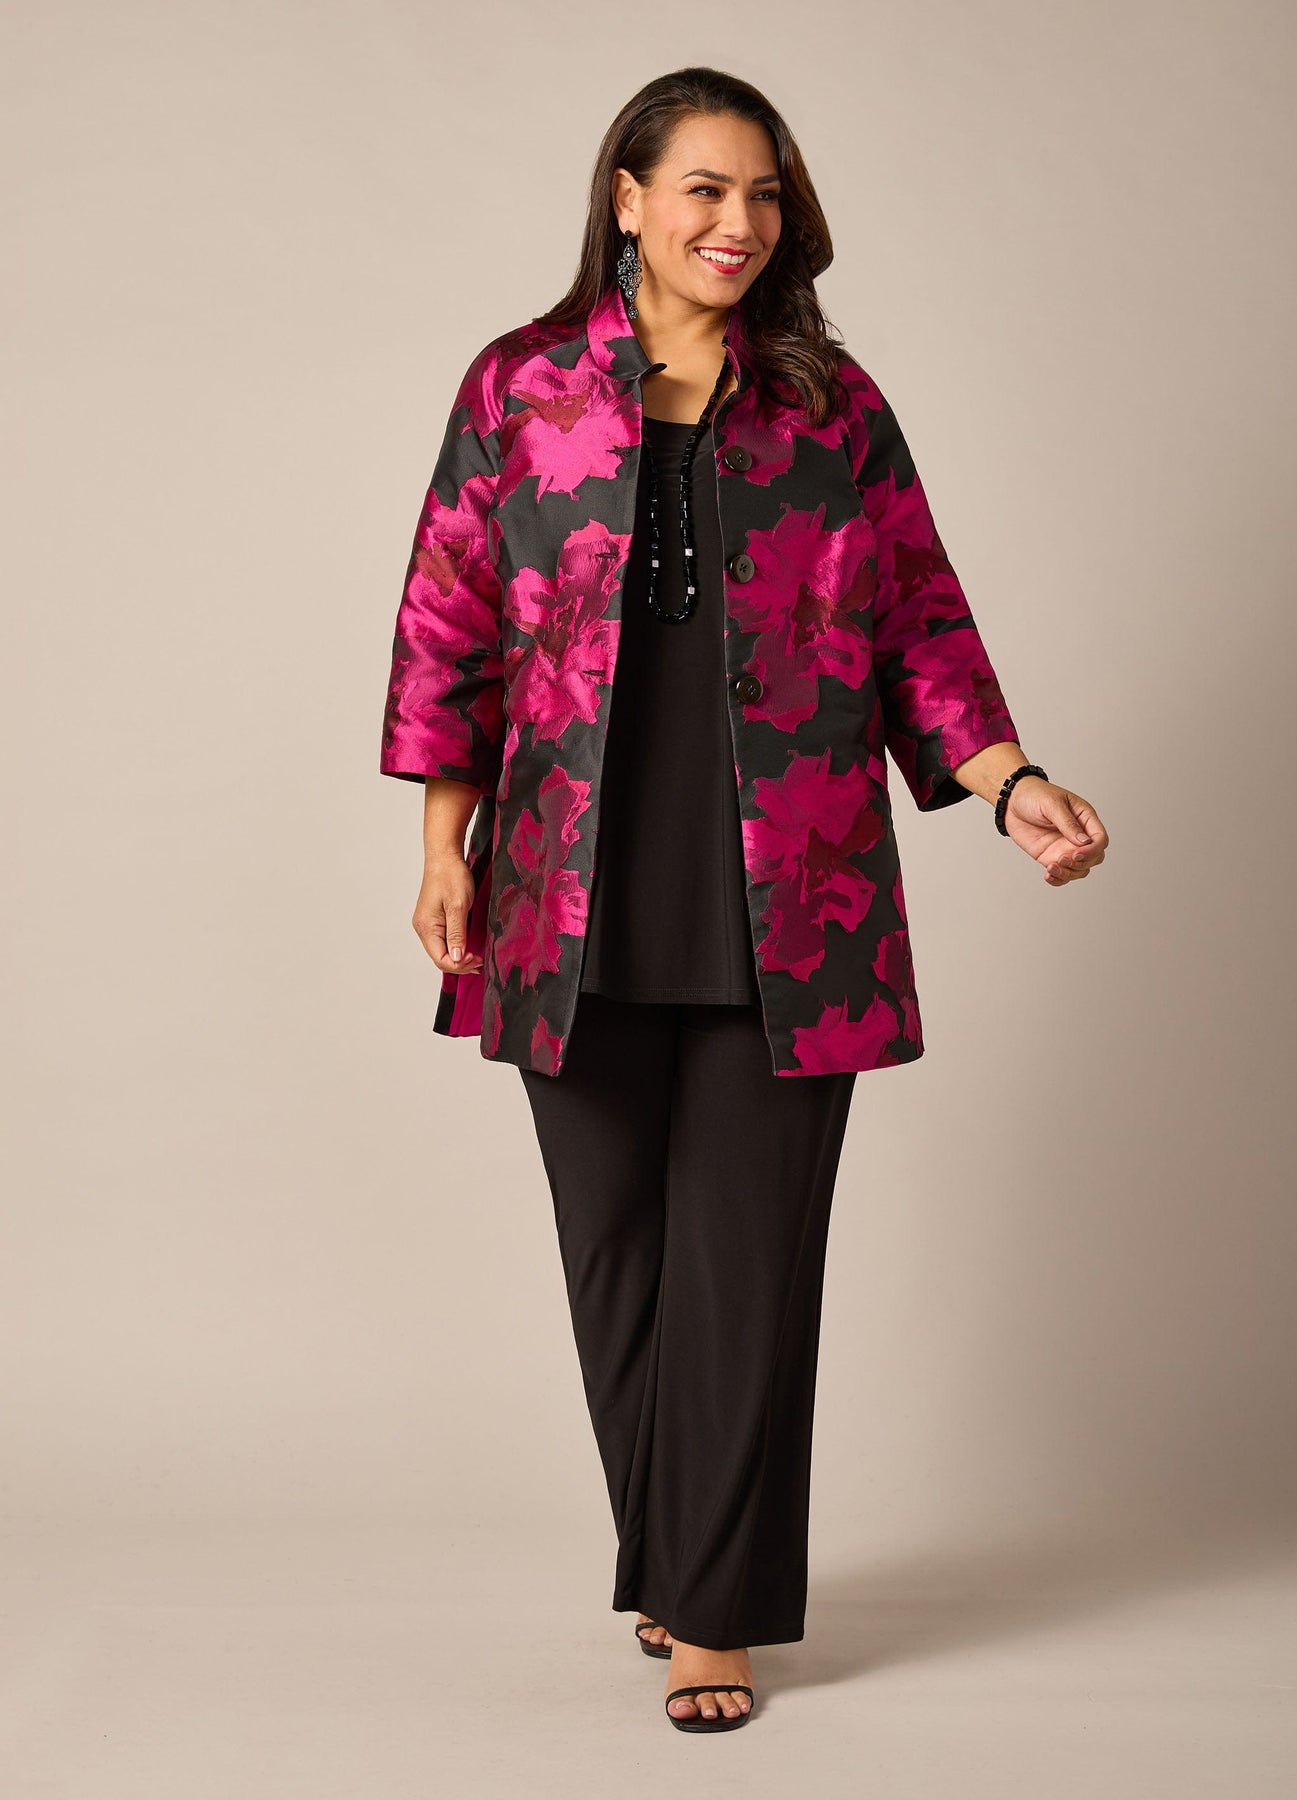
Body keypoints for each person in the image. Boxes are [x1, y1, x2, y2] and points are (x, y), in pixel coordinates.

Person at [378, 66, 1109, 1734]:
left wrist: (1007, 782)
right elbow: (447, 616)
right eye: (705, 189)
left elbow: (920, 617)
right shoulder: (519, 387)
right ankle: (677, 1549)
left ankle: (709, 1611)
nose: (739, 222)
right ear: (627, 199)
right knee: (615, 1258)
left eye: (763, 193)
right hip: (567, 880)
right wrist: (442, 844)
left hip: (792, 886)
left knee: (745, 1267)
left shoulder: (829, 407)